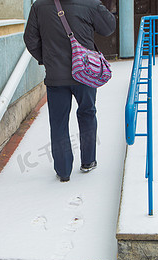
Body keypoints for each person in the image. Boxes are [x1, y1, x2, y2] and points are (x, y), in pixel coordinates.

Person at [24, 0, 116, 182]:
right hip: (85, 73)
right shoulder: (90, 3)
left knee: (58, 123)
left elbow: (30, 39)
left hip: (55, 77)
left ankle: (63, 171)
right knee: (88, 113)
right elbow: (108, 27)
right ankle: (88, 161)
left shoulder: (39, 6)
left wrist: (47, 60)